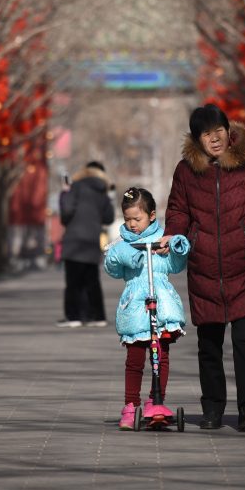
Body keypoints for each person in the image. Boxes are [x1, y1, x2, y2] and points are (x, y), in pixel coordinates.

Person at [158, 104, 245, 432]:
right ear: (197, 139)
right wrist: (173, 235)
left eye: (218, 131)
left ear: (228, 132)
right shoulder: (186, 171)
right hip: (204, 267)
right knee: (209, 342)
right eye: (206, 134)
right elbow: (178, 210)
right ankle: (213, 409)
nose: (214, 139)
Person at [104, 187, 190, 430]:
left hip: (160, 307)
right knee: (134, 359)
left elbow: (175, 265)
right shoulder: (122, 243)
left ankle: (156, 400)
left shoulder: (163, 236)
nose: (132, 224)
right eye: (128, 218)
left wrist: (176, 246)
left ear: (152, 215)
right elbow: (113, 269)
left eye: (137, 219)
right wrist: (121, 255)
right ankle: (130, 405)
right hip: (135, 309)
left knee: (161, 356)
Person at [58, 160, 115, 327]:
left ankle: (74, 316)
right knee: (92, 281)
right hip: (91, 240)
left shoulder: (76, 186)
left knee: (73, 282)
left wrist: (64, 194)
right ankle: (97, 317)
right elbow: (109, 218)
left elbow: (66, 212)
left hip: (74, 240)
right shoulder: (102, 191)